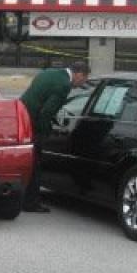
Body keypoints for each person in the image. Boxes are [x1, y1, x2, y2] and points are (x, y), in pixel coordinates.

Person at [19, 59, 89, 213]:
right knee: (36, 164)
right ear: (79, 74)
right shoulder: (64, 85)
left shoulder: (48, 72)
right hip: (34, 125)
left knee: (26, 162)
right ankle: (31, 203)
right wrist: (45, 132)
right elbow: (46, 112)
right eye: (84, 79)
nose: (82, 83)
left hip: (22, 118)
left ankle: (21, 198)